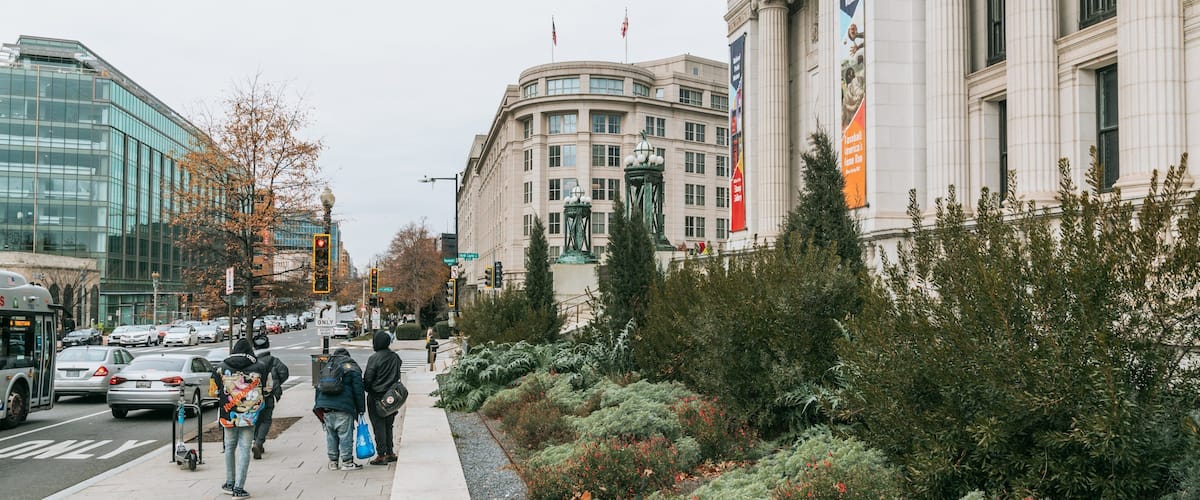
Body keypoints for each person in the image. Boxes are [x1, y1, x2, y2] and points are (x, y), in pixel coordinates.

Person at [210, 339, 271, 499]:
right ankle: (239, 487)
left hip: (228, 414)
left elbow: (213, 392)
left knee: (229, 447)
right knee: (245, 448)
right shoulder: (261, 367)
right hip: (250, 414)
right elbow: (268, 388)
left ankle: (229, 482)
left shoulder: (221, 367)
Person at [314, 347, 365, 471]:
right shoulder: (352, 367)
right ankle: (347, 462)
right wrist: (361, 409)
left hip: (326, 407)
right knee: (345, 435)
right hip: (344, 407)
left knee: (331, 435)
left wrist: (318, 405)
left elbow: (317, 387)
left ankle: (333, 462)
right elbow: (358, 390)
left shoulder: (326, 366)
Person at [363, 331, 402, 465]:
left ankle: (381, 454)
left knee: (378, 425)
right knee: (388, 424)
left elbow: (368, 379)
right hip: (391, 397)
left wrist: (368, 388)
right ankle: (390, 452)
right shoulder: (395, 357)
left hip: (376, 396)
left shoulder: (374, 358)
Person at [251, 349, 289, 460]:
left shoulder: (252, 361)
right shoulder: (274, 361)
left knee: (255, 418)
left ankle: (256, 441)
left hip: (253, 396)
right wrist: (276, 382)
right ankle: (259, 442)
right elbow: (284, 372)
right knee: (266, 419)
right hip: (268, 394)